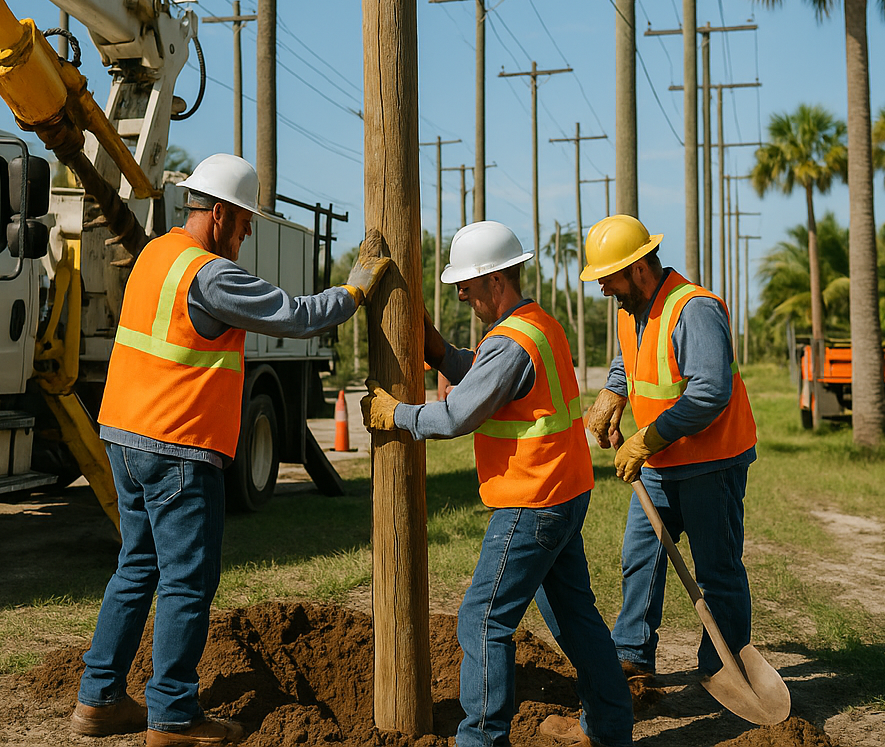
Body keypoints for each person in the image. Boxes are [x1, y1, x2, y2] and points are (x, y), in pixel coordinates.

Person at [72, 153, 392, 747]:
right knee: (187, 579)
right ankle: (171, 716)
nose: (246, 235)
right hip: (176, 445)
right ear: (218, 214)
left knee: (137, 567)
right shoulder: (210, 274)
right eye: (245, 223)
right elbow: (294, 316)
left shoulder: (156, 256)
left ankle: (99, 699)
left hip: (124, 434)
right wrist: (356, 288)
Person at [361, 221, 633, 747]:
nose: (460, 293)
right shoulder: (535, 325)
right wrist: (439, 351)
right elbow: (487, 374)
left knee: (483, 618)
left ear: (496, 280)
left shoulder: (510, 343)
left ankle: (481, 740)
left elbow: (459, 415)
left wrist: (397, 414)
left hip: (533, 502)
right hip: (564, 493)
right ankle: (610, 729)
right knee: (577, 620)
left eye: (467, 283)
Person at [579, 214, 758, 697]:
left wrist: (644, 440)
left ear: (639, 268)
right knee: (641, 557)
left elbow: (708, 394)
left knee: (717, 570)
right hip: (660, 464)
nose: (604, 290)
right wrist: (613, 394)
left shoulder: (694, 309)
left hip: (710, 461)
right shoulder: (628, 308)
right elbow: (629, 358)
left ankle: (723, 667)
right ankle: (632, 656)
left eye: (609, 278)